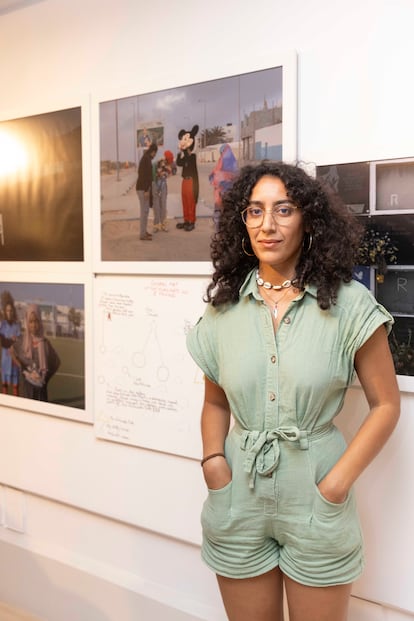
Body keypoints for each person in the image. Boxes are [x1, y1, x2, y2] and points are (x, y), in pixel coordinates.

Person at [186, 161, 400, 621]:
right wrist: (213, 463)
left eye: (283, 209)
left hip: (317, 494)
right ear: (241, 223)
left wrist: (336, 485)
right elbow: (215, 401)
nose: (268, 224)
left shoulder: (349, 304)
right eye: (254, 211)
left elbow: (386, 405)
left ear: (308, 218)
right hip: (237, 493)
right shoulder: (224, 310)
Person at [11, 304, 60, 402]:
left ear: (40, 322)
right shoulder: (21, 341)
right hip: (26, 389)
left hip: (40, 392)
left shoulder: (45, 343)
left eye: (36, 321)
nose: (33, 325)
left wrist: (45, 378)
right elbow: (12, 350)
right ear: (27, 322)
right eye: (31, 321)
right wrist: (21, 367)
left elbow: (56, 362)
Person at [209, 143, 239, 230]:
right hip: (230, 193)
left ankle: (219, 228)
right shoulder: (233, 162)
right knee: (229, 212)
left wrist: (216, 179)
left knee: (219, 211)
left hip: (222, 192)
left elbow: (216, 176)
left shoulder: (222, 161)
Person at [176, 125, 199, 232]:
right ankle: (186, 220)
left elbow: (191, 166)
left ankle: (191, 221)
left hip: (191, 181)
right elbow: (179, 163)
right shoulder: (184, 156)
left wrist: (188, 154)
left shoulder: (192, 157)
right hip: (184, 181)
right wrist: (180, 153)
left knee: (191, 202)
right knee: (185, 201)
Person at [136, 142, 158, 241]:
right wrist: (146, 190)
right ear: (153, 151)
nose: (155, 155)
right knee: (144, 212)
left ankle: (144, 232)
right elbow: (143, 175)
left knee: (145, 211)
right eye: (155, 153)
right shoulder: (146, 159)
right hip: (142, 189)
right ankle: (142, 234)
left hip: (143, 188)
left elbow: (146, 175)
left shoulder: (146, 158)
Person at [0, 300, 21, 395]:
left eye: (11, 310)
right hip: (5, 360)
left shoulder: (17, 326)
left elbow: (19, 342)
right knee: (4, 385)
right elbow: (3, 343)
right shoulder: (2, 325)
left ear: (13, 312)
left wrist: (13, 341)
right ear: (5, 312)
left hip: (14, 361)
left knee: (15, 386)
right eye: (8, 310)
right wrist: (12, 340)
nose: (9, 312)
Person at [152, 150, 173, 233]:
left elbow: (167, 174)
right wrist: (164, 173)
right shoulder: (160, 163)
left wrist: (166, 172)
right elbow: (160, 174)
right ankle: (159, 225)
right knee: (158, 206)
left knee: (161, 206)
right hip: (157, 186)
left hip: (162, 187)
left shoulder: (165, 164)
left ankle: (160, 225)